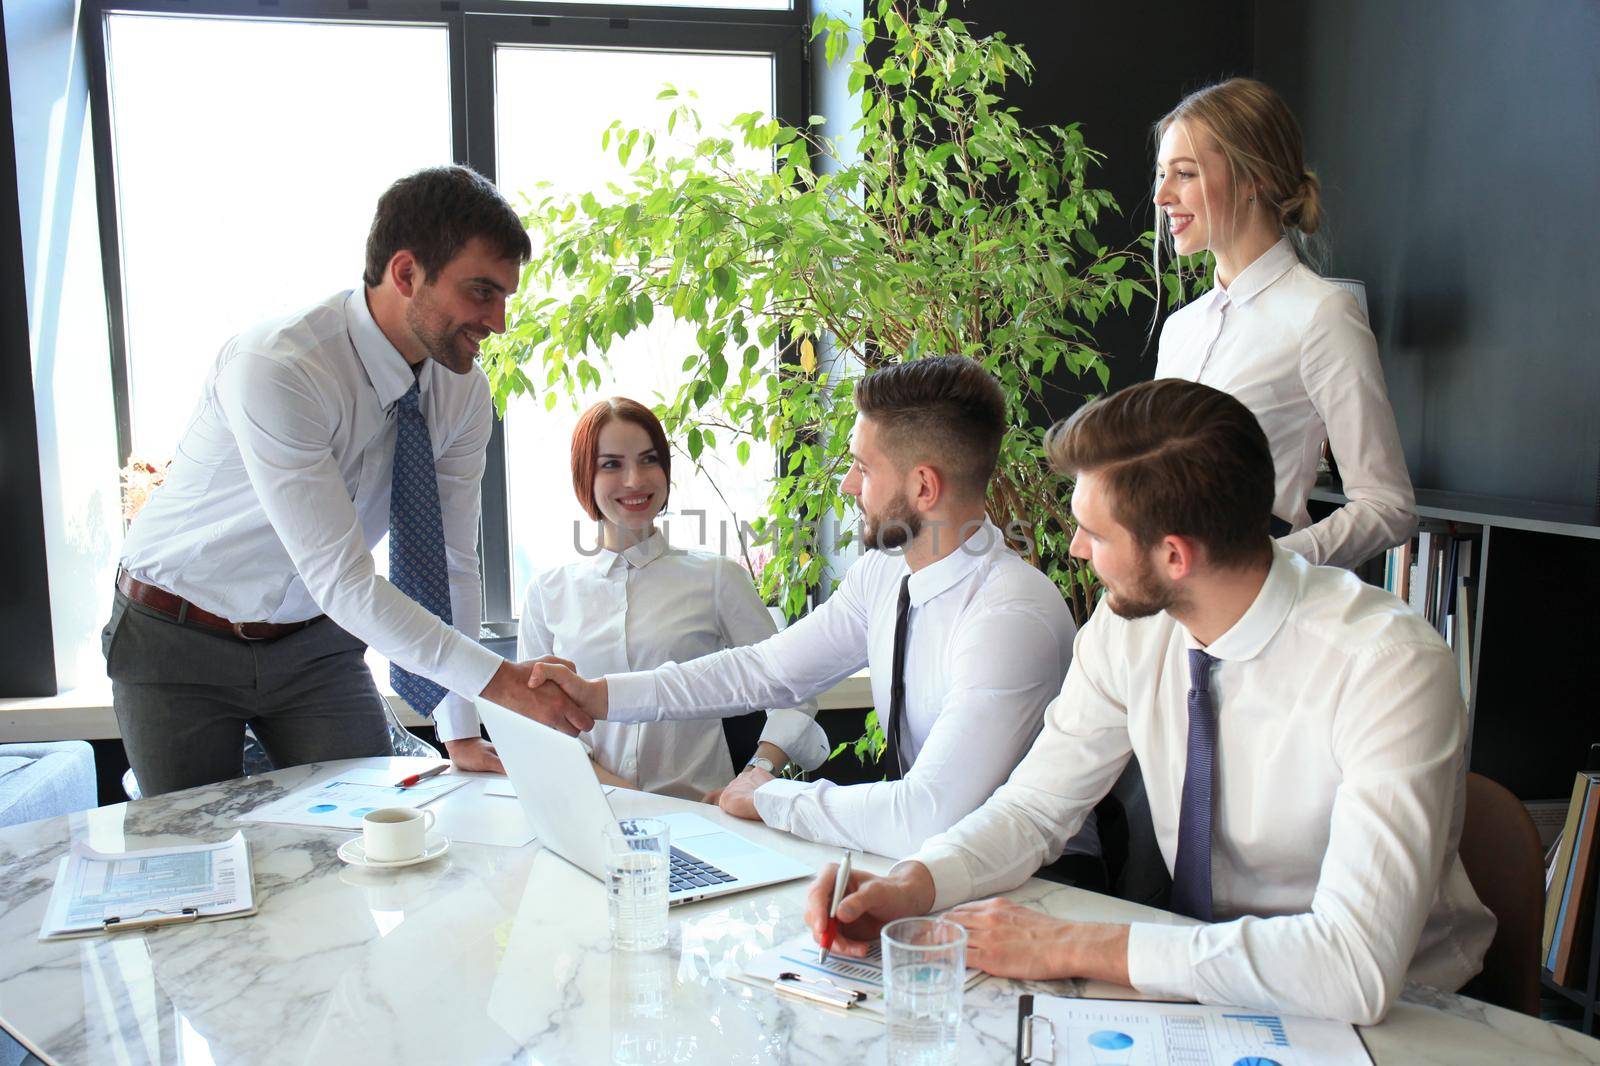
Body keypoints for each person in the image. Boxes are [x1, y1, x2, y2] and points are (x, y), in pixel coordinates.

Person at [807, 378, 1494, 1026]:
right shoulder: (1126, 630)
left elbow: (1353, 966)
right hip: (1205, 991)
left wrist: (1075, 945)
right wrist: (915, 885)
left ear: (1174, 556)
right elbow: (1035, 808)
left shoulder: (1387, 667)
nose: (1074, 549)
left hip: (1412, 1017)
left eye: (1095, 534)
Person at [104, 165, 593, 797]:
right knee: (194, 850)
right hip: (177, 634)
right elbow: (343, 578)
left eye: (505, 296)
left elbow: (450, 566)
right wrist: (498, 682)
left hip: (313, 644)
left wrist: (462, 726)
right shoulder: (279, 370)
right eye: (480, 292)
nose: (498, 321)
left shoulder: (464, 395)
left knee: (382, 832)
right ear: (406, 272)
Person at [525, 356, 1092, 865]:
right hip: (941, 871)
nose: (848, 486)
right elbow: (765, 670)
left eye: (863, 469)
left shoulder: (1010, 616)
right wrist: (602, 696)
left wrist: (766, 795)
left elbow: (926, 814)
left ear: (923, 487)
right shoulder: (884, 575)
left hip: (1045, 891)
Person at [1152, 77, 1416, 569]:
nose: (1162, 195)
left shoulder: (1322, 315)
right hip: (1167, 602)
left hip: (1259, 620)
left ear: (1253, 178)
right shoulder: (1179, 330)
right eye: (1162, 174)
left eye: (1184, 174)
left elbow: (1388, 506)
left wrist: (1266, 566)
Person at [515, 397, 829, 800]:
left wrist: (756, 773)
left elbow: (794, 692)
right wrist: (631, 799)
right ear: (584, 476)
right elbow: (537, 726)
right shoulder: (547, 594)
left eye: (649, 460)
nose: (634, 480)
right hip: (588, 813)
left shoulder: (717, 578)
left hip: (703, 821)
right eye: (611, 464)